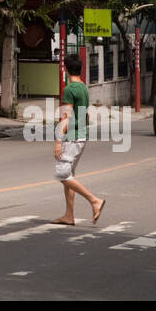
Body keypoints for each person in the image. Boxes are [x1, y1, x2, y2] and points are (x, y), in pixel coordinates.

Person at [50, 56, 105, 226]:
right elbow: (86, 114)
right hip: (81, 135)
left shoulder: (70, 89)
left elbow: (65, 117)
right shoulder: (83, 87)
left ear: (66, 69)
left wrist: (58, 140)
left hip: (72, 138)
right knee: (69, 175)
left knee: (61, 173)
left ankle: (94, 200)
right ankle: (69, 215)